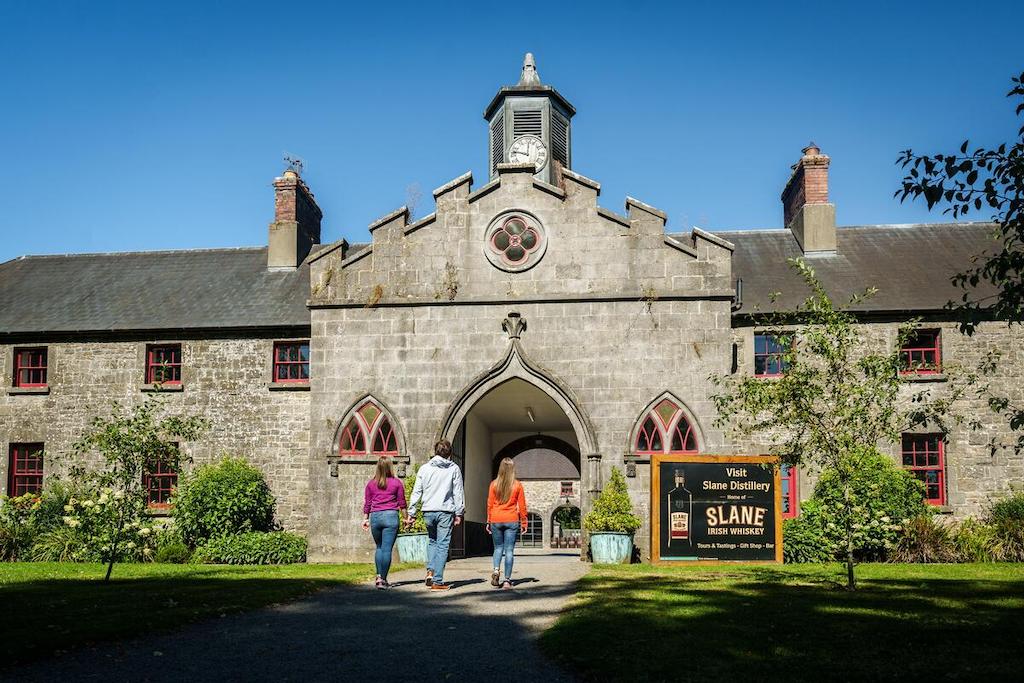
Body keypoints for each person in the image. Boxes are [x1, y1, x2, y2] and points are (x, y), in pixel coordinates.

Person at [406, 439, 464, 591]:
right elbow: (458, 492)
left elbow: (417, 491)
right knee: (443, 545)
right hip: (445, 510)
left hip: (428, 510)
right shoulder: (454, 469)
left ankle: (430, 571)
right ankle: (437, 581)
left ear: (435, 451)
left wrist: (411, 512)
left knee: (432, 541)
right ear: (450, 453)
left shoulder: (424, 468)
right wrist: (459, 512)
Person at [362, 456, 406, 590]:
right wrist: (406, 518)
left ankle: (378, 576)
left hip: (375, 517)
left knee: (379, 547)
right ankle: (383, 579)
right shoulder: (397, 483)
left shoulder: (370, 484)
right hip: (391, 517)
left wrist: (365, 519)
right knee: (387, 549)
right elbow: (402, 503)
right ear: (390, 467)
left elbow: (368, 503)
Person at [486, 457, 528, 589]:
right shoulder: (517, 485)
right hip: (511, 519)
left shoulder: (494, 484)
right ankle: (507, 581)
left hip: (496, 519)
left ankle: (496, 570)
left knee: (498, 548)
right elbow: (522, 506)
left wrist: (488, 521)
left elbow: (490, 504)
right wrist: (524, 523)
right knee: (509, 550)